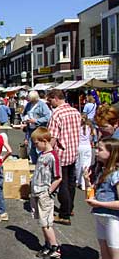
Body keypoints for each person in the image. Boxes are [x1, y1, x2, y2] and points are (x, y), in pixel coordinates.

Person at [47, 89, 81, 225]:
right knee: (70, 182)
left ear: (55, 98)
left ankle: (64, 214)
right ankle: (70, 208)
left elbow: (53, 137)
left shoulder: (57, 114)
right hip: (73, 151)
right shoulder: (75, 111)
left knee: (62, 183)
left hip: (61, 153)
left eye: (50, 100)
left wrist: (47, 153)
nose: (50, 104)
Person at [30, 127, 62, 259]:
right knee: (41, 221)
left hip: (44, 192)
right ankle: (48, 244)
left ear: (44, 141)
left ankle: (55, 247)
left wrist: (49, 191)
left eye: (37, 143)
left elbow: (58, 177)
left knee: (46, 222)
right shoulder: (42, 154)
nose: (36, 146)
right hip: (37, 191)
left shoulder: (52, 156)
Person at [84, 138, 119, 259]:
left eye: (100, 149)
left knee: (115, 254)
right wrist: (87, 182)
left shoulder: (116, 174)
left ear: (111, 153)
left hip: (113, 219)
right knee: (105, 253)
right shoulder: (102, 171)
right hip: (101, 217)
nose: (96, 151)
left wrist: (99, 203)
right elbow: (90, 197)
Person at [22, 91, 51, 164]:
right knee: (31, 146)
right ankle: (34, 162)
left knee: (39, 146)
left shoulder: (42, 105)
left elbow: (48, 117)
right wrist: (25, 119)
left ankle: (40, 162)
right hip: (30, 128)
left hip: (39, 128)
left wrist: (36, 121)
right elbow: (24, 113)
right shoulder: (28, 105)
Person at [76, 114, 94, 191]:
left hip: (80, 146)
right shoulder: (89, 127)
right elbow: (92, 136)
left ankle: (79, 181)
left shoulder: (78, 128)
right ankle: (85, 182)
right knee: (86, 164)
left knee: (79, 164)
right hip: (88, 147)